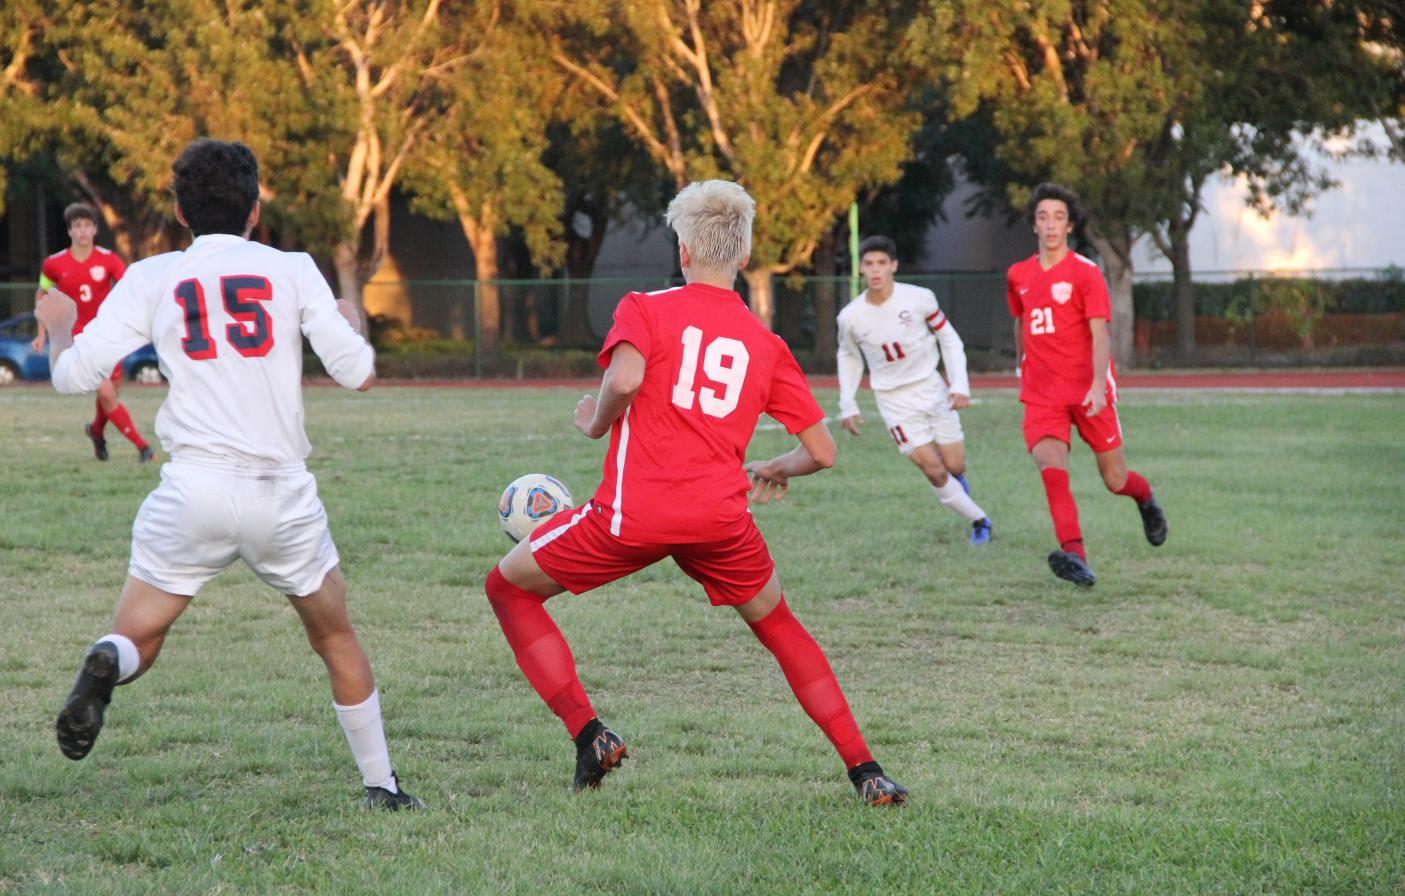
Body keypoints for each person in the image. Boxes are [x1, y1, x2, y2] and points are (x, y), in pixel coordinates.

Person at [483, 179, 908, 806]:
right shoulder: (767, 344)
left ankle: (590, 733)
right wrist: (777, 467)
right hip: (719, 521)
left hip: (631, 518)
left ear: (683, 253)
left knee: (507, 589)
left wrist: (593, 422)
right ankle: (866, 770)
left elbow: (624, 379)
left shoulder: (645, 306)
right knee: (783, 628)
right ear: (743, 257)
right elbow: (823, 452)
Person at [37, 138, 420, 810]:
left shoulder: (154, 276)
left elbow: (75, 377)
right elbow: (357, 373)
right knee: (334, 635)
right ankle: (381, 786)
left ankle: (106, 659)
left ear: (181, 211)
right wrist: (353, 326)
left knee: (137, 637)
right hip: (281, 492)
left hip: (192, 489)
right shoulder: (292, 266)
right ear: (255, 207)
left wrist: (63, 331)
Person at [1006, 183, 1167, 587]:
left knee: (1115, 480)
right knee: (1052, 469)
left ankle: (1145, 498)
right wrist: (1020, 364)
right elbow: (1020, 321)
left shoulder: (1086, 274)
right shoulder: (1018, 275)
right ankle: (1075, 556)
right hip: (1042, 394)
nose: (1051, 225)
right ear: (1034, 226)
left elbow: (1100, 336)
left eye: (1059, 217)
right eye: (1043, 217)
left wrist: (1097, 386)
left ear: (1070, 224)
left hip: (1088, 390)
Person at [837, 235, 992, 544]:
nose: (876, 270)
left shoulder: (920, 298)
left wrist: (958, 384)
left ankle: (960, 492)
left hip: (932, 389)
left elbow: (949, 338)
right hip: (893, 402)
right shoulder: (850, 317)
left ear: (894, 265)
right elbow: (849, 355)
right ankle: (979, 520)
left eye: (882, 262)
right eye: (869, 264)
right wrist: (847, 402)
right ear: (861, 270)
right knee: (933, 470)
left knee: (954, 464)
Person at [32, 203, 154, 463]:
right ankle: (144, 449)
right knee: (107, 394)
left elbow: (126, 289)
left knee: (109, 397)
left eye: (87, 225)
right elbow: (42, 293)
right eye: (77, 226)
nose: (83, 231)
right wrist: (42, 332)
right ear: (70, 231)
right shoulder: (54, 263)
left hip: (108, 335)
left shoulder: (109, 259)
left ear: (95, 229)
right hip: (78, 340)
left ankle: (96, 432)